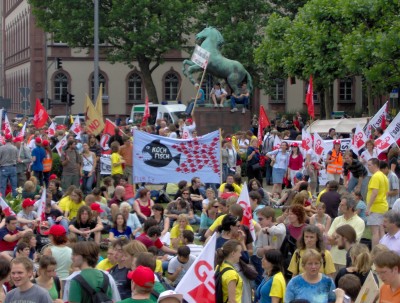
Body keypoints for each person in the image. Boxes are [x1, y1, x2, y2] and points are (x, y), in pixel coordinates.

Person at [327, 195, 365, 272]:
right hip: (333, 258)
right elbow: (328, 239)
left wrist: (335, 237)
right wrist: (342, 238)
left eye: (342, 205)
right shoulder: (337, 219)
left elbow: (352, 240)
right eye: (340, 204)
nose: (339, 206)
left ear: (350, 207)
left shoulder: (359, 222)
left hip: (347, 260)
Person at [366, 158, 389, 246]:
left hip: (375, 207)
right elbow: (386, 193)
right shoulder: (384, 176)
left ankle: (375, 252)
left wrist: (368, 207)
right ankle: (383, 250)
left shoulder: (375, 176)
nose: (368, 167)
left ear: (375, 165)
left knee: (375, 232)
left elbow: (374, 192)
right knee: (381, 231)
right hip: (383, 206)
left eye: (369, 165)